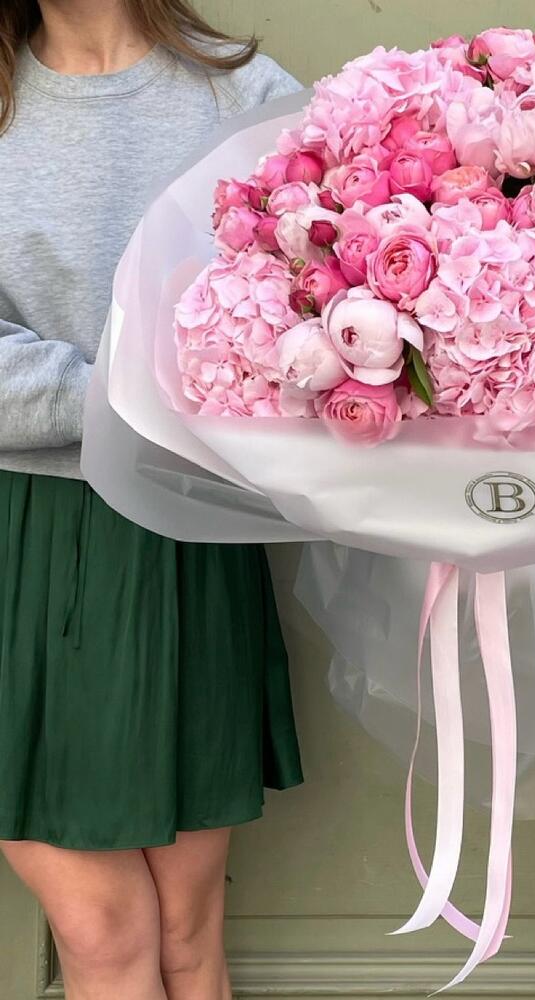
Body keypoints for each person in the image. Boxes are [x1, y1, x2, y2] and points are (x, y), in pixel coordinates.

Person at [0, 2, 306, 997]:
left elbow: (321, 313)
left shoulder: (245, 96)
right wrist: (146, 398)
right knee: (102, 931)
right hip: (22, 538)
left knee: (185, 930)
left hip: (184, 538)